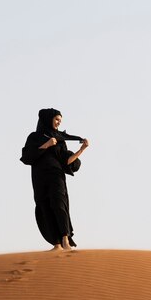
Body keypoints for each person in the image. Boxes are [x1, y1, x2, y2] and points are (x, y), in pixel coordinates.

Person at [20, 108, 90, 251]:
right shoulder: (34, 137)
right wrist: (46, 145)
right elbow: (27, 157)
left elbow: (67, 161)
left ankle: (65, 240)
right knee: (45, 206)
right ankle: (56, 244)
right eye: (56, 119)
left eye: (60, 120)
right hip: (39, 177)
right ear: (48, 119)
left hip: (56, 175)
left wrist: (82, 149)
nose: (58, 123)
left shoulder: (60, 140)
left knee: (59, 204)